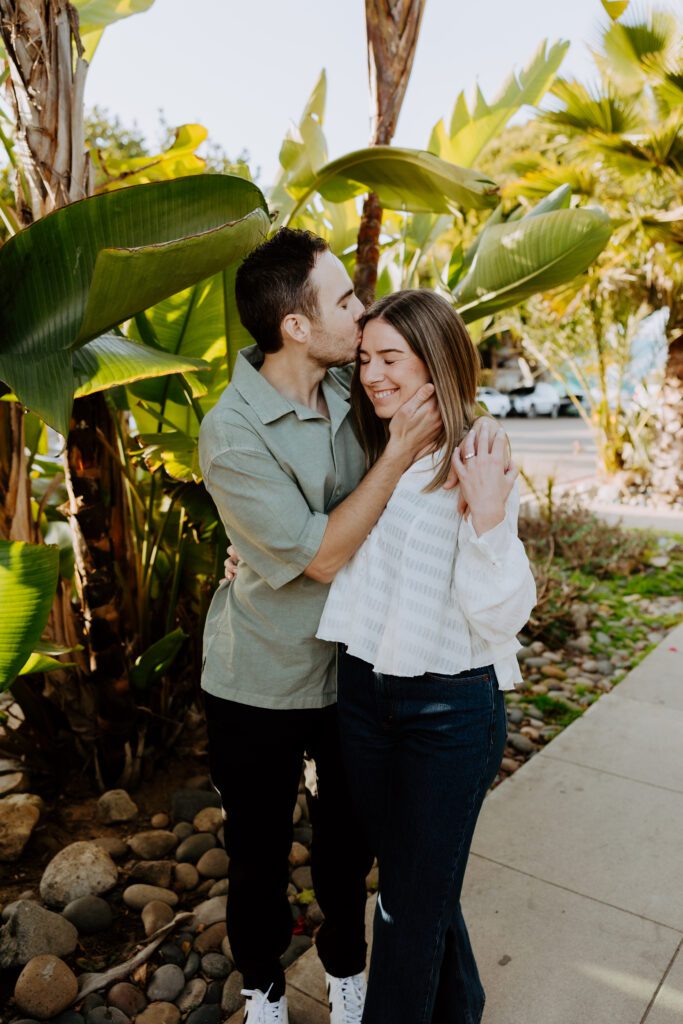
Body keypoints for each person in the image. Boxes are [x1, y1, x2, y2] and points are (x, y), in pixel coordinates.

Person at [198, 230, 494, 1024]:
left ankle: (345, 970)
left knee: (346, 849)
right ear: (295, 326)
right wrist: (387, 465)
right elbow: (324, 556)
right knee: (257, 850)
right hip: (257, 676)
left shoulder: (348, 391)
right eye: (343, 300)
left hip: (350, 671)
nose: (360, 315)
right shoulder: (231, 433)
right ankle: (261, 989)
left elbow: (433, 379)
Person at [316, 289, 537, 1024]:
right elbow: (346, 557)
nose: (372, 374)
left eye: (390, 359)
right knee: (420, 889)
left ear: (433, 360)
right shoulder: (382, 448)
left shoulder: (476, 452)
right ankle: (461, 1008)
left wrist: (488, 517)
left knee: (406, 909)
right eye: (364, 359)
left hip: (447, 711)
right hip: (365, 697)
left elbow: (501, 612)